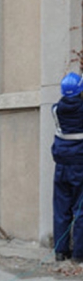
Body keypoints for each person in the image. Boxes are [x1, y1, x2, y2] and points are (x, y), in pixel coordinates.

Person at [51, 72, 83, 263]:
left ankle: (60, 252)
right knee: (80, 210)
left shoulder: (55, 110)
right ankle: (79, 254)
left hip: (61, 165)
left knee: (61, 208)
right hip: (80, 165)